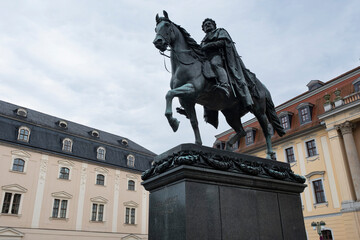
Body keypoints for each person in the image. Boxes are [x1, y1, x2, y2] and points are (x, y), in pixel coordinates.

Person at [200, 18, 254, 111]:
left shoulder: (220, 31)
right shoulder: (203, 40)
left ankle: (225, 85)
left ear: (214, 25)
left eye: (209, 23)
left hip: (219, 56)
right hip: (206, 60)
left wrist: (208, 46)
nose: (207, 25)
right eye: (205, 25)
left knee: (215, 63)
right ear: (203, 29)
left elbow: (222, 42)